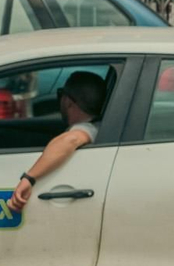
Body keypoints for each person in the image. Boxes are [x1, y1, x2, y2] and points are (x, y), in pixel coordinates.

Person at [8, 71, 108, 213]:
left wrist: (29, 178)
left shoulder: (88, 129)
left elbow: (72, 139)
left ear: (68, 101)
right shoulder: (101, 126)